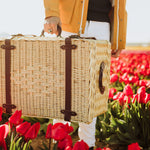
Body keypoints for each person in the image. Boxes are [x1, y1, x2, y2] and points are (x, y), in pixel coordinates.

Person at [43, 0, 127, 149]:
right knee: (63, 88)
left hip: (103, 26)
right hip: (71, 23)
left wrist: (119, 36)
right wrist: (51, 14)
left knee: (92, 90)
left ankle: (87, 144)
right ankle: (59, 143)